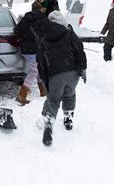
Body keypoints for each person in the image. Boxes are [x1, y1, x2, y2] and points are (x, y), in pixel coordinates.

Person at [37, 11, 87, 146]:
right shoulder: (69, 32)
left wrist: (44, 79)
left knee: (53, 100)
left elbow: (40, 61)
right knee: (69, 94)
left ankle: (48, 124)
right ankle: (68, 119)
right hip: (72, 72)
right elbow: (79, 50)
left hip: (55, 74)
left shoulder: (44, 39)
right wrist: (82, 68)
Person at [13, 2, 48, 105]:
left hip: (26, 50)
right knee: (34, 71)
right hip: (37, 49)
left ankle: (43, 91)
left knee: (37, 68)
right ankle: (22, 95)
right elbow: (48, 33)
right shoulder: (43, 19)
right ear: (41, 9)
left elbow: (16, 31)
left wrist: (25, 37)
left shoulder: (25, 19)